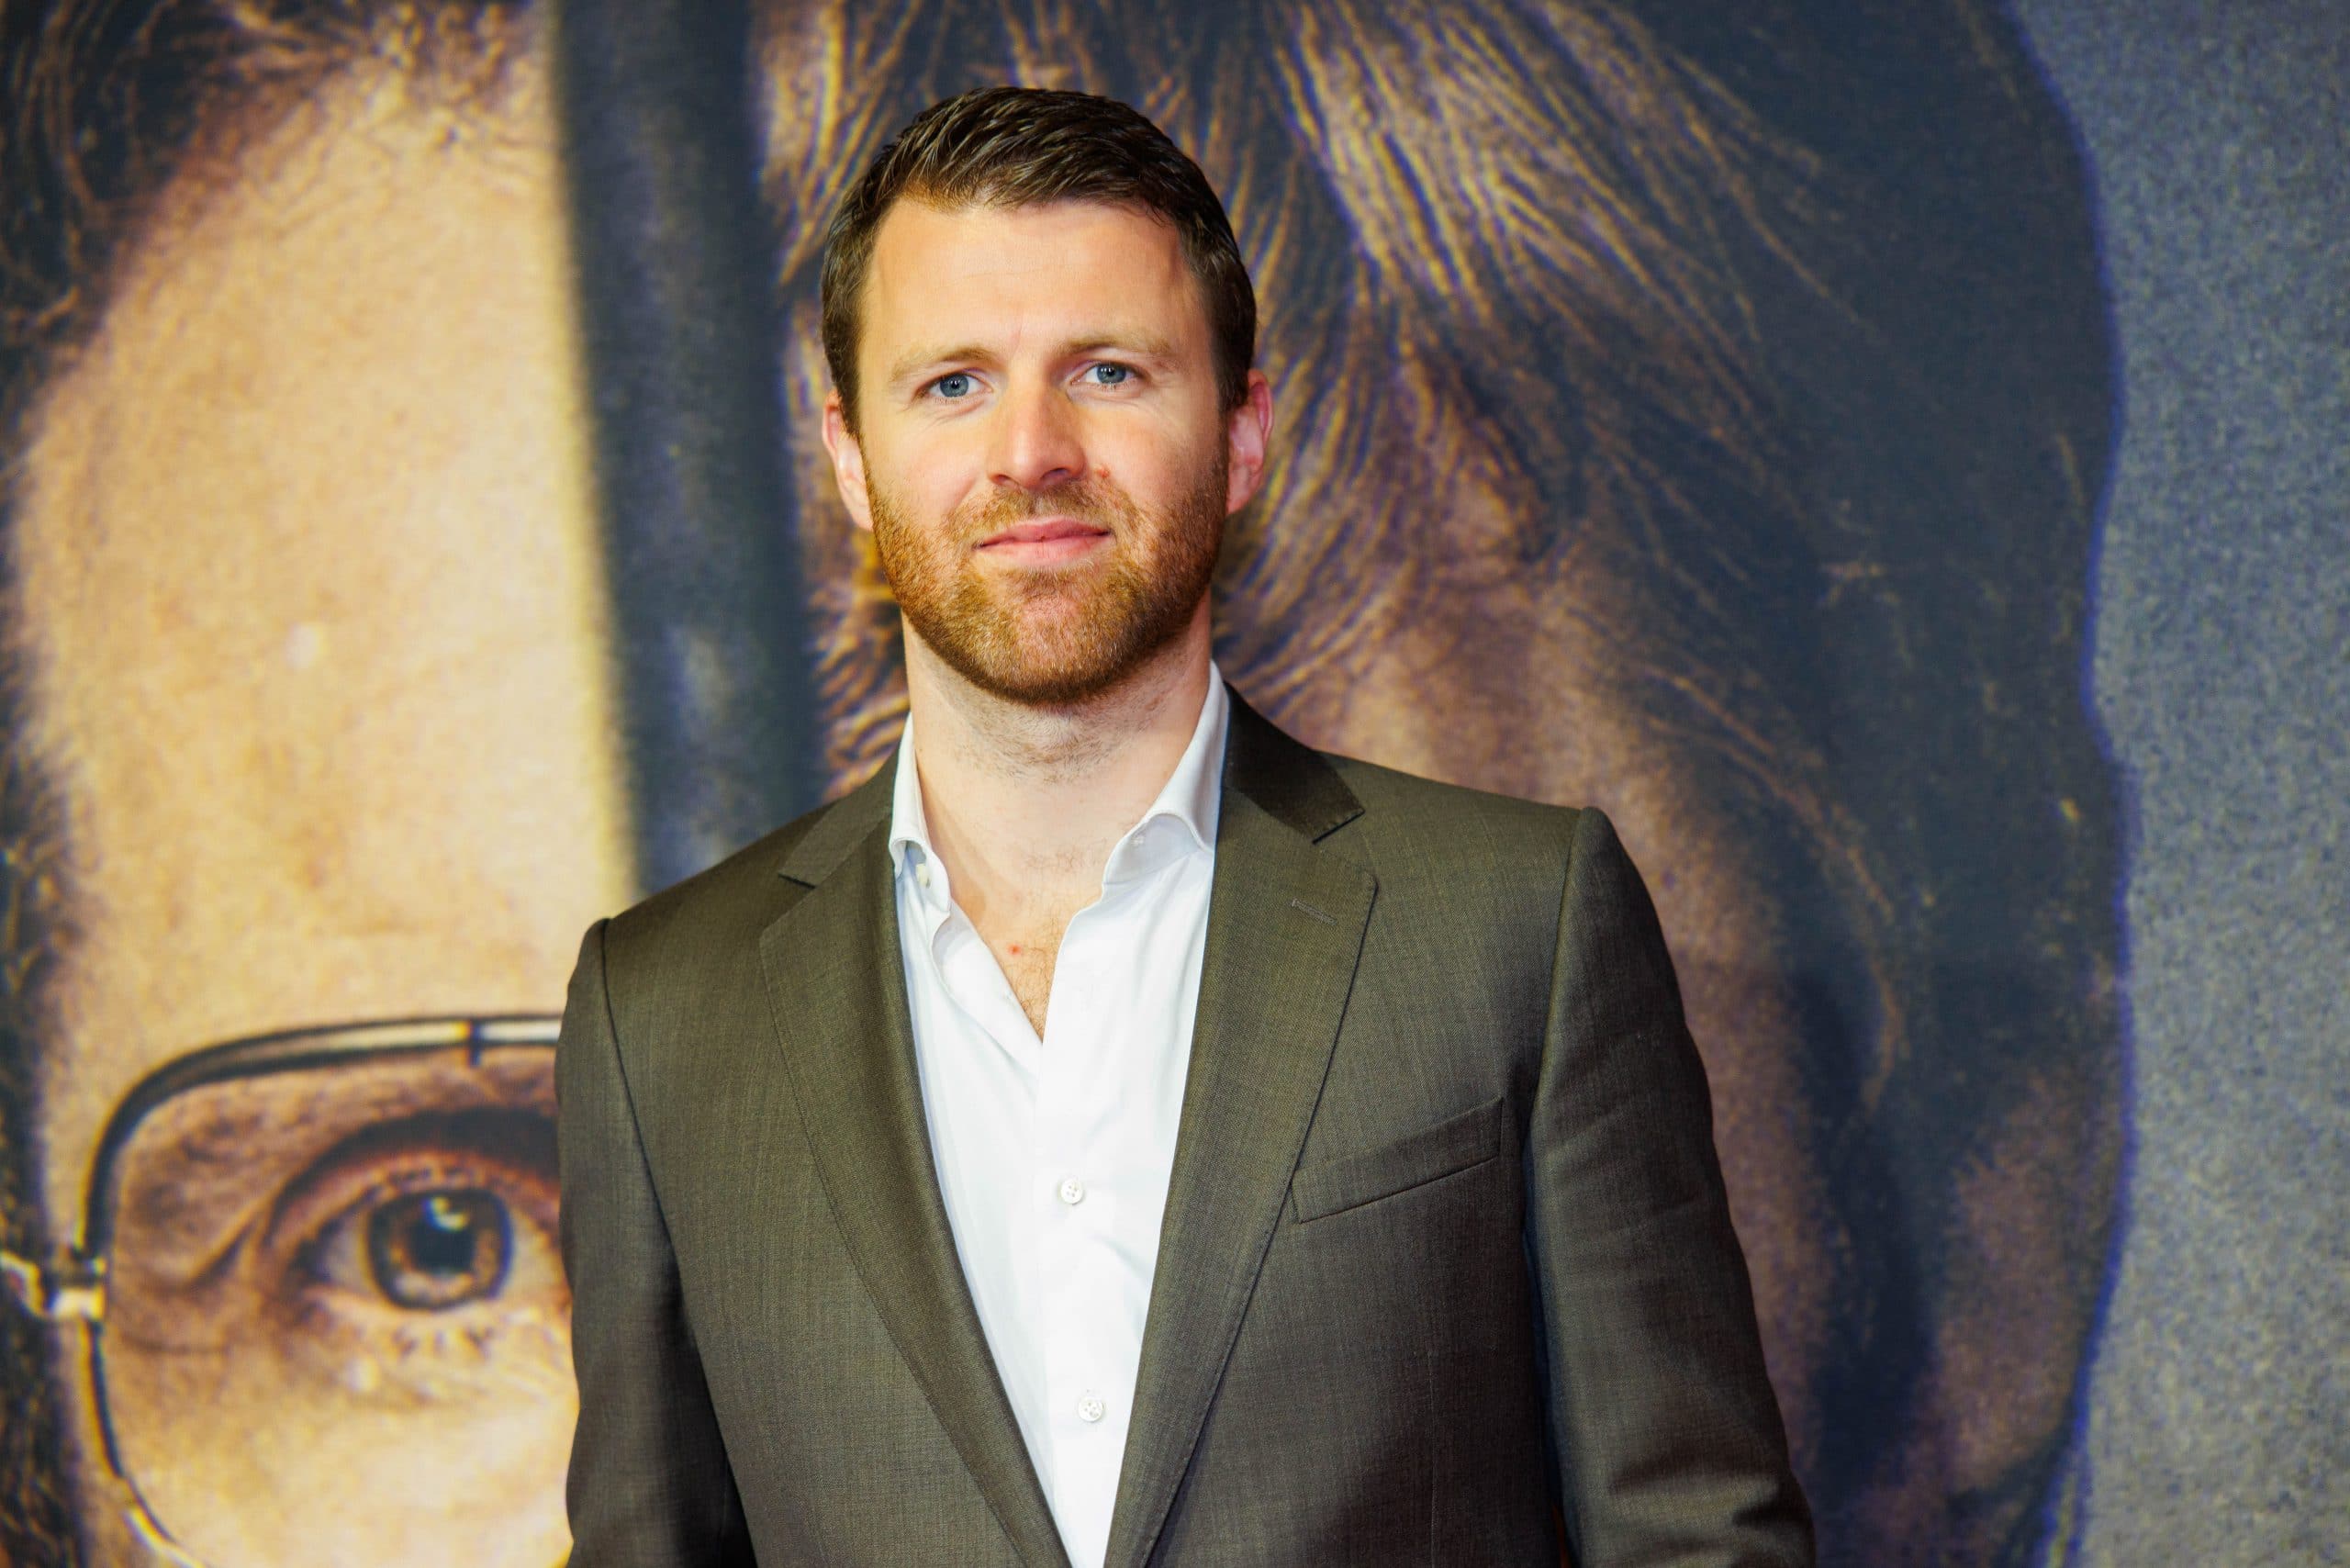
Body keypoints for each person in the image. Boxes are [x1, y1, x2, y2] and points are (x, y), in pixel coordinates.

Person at [558, 84, 1816, 1566]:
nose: (1031, 450)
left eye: (1107, 371)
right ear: (849, 456)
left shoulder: (1514, 932)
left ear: (1240, 434)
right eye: (952, 383)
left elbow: (1692, 1536)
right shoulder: (664, 1017)